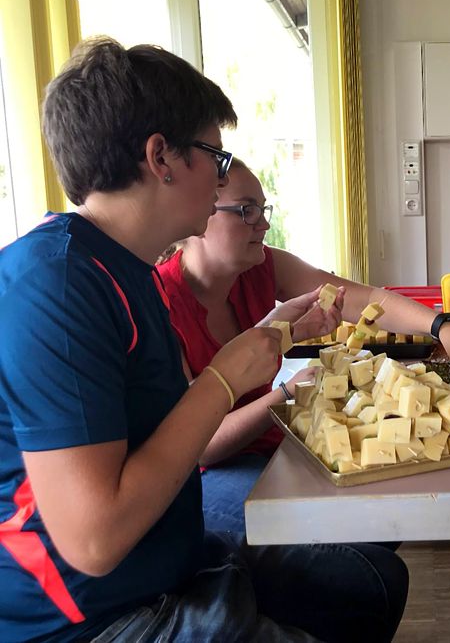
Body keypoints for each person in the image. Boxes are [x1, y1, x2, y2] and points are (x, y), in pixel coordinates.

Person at [0, 37, 407, 642]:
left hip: (170, 556)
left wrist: (266, 343)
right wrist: (222, 379)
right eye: (215, 159)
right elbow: (93, 539)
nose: (222, 182)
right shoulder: (56, 286)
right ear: (161, 158)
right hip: (94, 614)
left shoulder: (126, 268)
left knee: (372, 584)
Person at [157, 157, 450, 533]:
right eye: (246, 211)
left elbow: (362, 299)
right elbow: (203, 446)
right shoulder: (161, 301)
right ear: (201, 214)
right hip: (210, 475)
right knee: (358, 552)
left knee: (384, 521)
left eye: (263, 209)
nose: (264, 224)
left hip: (276, 446)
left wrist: (441, 325)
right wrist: (289, 392)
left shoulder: (261, 266)